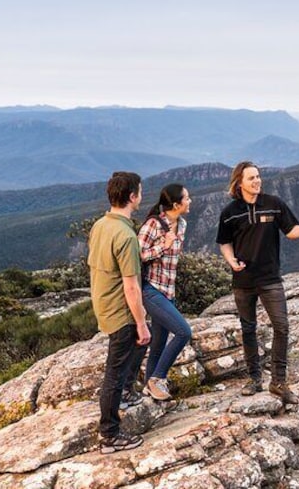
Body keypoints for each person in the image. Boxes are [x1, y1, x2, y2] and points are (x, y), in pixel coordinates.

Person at [216, 161, 299, 404]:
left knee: (282, 326)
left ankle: (278, 381)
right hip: (242, 280)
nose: (257, 181)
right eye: (251, 178)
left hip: (270, 278)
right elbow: (224, 242)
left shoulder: (274, 204)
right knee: (248, 329)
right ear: (239, 183)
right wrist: (231, 260)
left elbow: (290, 231)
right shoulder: (230, 212)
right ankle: (254, 379)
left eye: (258, 176)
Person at [87, 171, 151, 454]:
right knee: (114, 372)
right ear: (132, 197)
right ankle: (109, 433)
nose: (141, 196)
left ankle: (125, 393)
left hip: (103, 305)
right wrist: (141, 323)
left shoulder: (100, 225)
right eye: (140, 191)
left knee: (121, 365)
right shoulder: (126, 236)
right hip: (121, 312)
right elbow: (131, 287)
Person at [135, 183, 193, 401]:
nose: (190, 201)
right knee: (183, 332)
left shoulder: (183, 224)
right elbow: (137, 255)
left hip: (169, 291)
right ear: (176, 204)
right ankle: (157, 378)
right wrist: (163, 246)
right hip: (151, 290)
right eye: (187, 198)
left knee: (158, 343)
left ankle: (151, 392)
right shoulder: (153, 225)